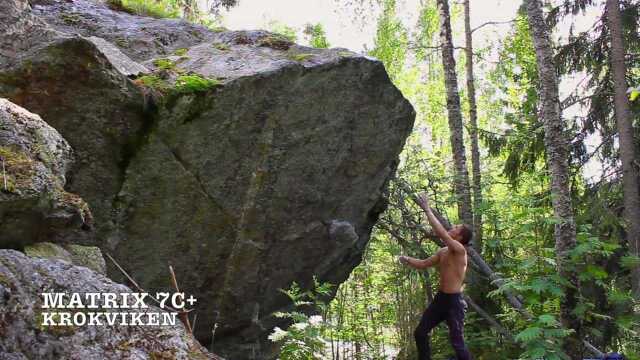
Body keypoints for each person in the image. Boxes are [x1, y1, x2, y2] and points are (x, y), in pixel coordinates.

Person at [398, 192, 473, 360]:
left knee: (457, 342)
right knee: (420, 333)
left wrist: (427, 209)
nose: (451, 228)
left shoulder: (460, 251)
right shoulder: (443, 252)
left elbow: (442, 235)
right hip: (441, 300)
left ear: (460, 237)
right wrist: (407, 259)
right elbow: (424, 264)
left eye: (455, 228)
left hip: (454, 302)